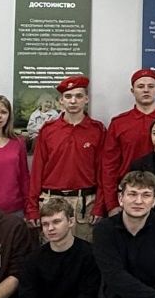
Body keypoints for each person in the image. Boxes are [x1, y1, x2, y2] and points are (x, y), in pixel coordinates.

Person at [97, 69, 155, 218]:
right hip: (131, 195)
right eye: (140, 86)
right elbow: (109, 166)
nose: (146, 90)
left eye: (150, 86)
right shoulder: (119, 123)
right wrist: (112, 204)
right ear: (132, 91)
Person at [27, 76, 106, 236]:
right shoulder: (48, 130)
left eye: (78, 96)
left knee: (84, 249)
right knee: (52, 249)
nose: (73, 101)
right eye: (68, 96)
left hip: (85, 203)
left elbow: (102, 171)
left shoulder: (97, 130)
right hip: (51, 201)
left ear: (86, 99)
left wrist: (99, 206)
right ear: (61, 101)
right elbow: (37, 171)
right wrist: (32, 207)